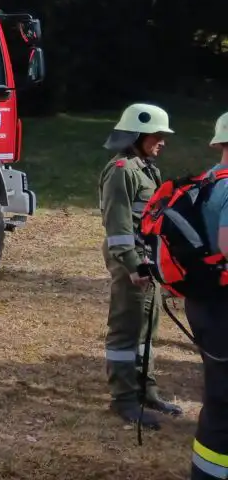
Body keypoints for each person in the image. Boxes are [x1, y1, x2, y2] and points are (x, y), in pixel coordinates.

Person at [99, 103, 182, 428]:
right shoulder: (122, 170)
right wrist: (133, 264)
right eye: (158, 135)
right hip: (131, 263)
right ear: (139, 134)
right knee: (126, 330)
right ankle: (123, 400)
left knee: (147, 327)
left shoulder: (145, 168)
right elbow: (117, 226)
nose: (163, 141)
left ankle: (145, 390)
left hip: (149, 260)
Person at [188, 112, 228, 478]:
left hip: (202, 302)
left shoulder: (205, 182)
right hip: (223, 304)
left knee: (217, 396)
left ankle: (205, 471)